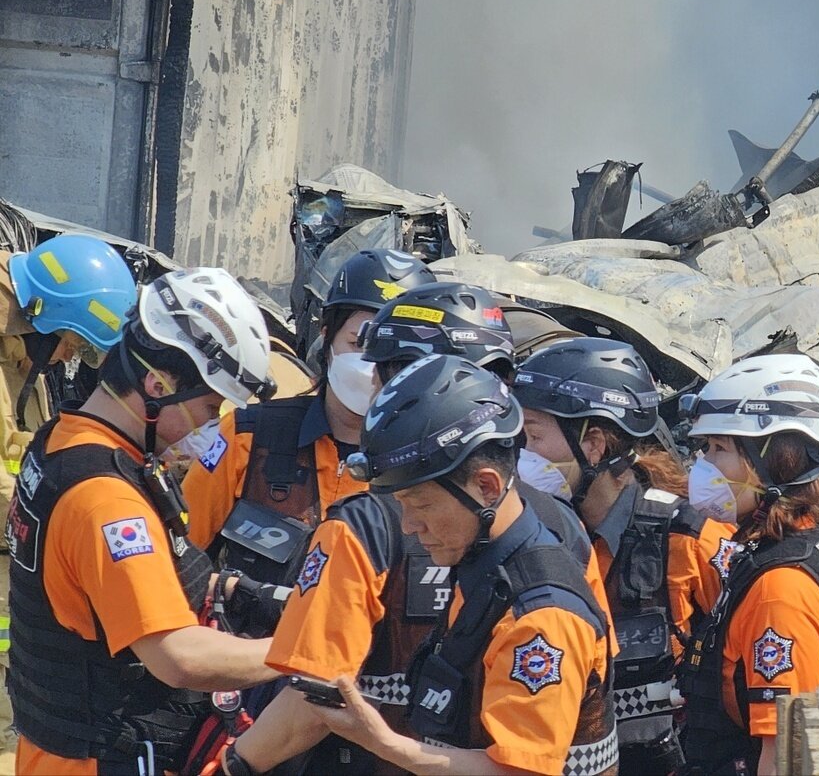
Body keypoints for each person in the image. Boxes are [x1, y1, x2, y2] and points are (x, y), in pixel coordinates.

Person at [218, 283, 614, 774]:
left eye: (383, 376)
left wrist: (232, 765)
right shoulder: (561, 524)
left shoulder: (362, 525)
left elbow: (313, 699)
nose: (412, 522)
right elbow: (594, 689)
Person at [6, 267, 282, 774]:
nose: (210, 423)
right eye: (207, 406)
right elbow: (177, 657)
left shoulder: (57, 443)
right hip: (100, 757)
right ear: (157, 384)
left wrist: (228, 589)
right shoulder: (108, 500)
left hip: (54, 751)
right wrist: (305, 651)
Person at [512, 337, 734, 773]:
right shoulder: (539, 539)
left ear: (593, 444)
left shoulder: (687, 539)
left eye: (534, 436)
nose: (522, 456)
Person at [182, 248, 434, 587]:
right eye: (360, 344)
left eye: (398, 354)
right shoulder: (248, 437)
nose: (375, 368)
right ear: (326, 335)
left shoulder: (432, 465)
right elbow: (178, 557)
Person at [676, 354, 819, 776]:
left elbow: (783, 756)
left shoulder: (780, 590)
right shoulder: (806, 541)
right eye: (705, 448)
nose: (703, 466)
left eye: (719, 448)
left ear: (773, 461)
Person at [0, 232, 138, 753]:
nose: (64, 359)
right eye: (70, 343)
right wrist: (67, 514)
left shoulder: (22, 359)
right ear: (41, 313)